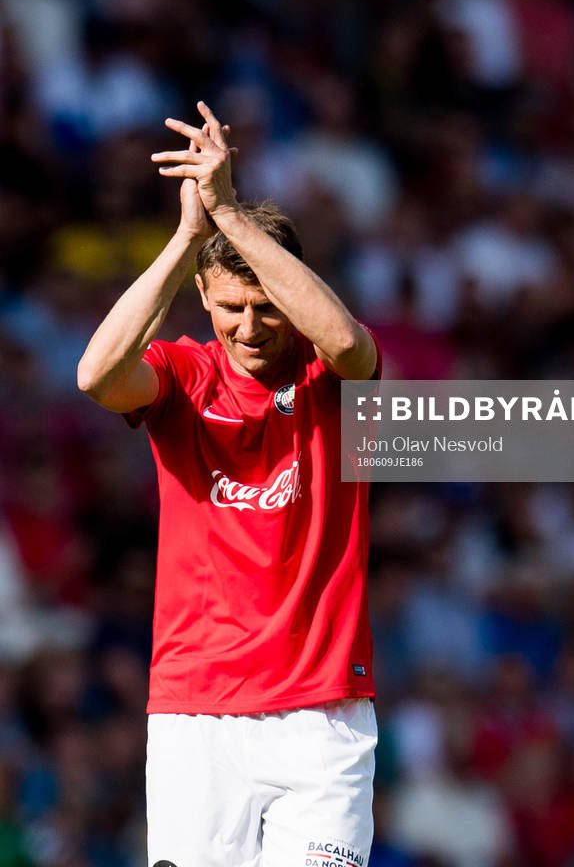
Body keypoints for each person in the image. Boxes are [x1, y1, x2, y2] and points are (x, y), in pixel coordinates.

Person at [77, 100, 380, 867]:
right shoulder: (184, 375)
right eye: (230, 308)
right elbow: (97, 376)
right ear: (205, 300)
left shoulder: (332, 379)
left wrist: (231, 216)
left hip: (321, 716)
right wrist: (188, 238)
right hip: (196, 715)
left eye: (266, 308)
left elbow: (346, 343)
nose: (247, 328)